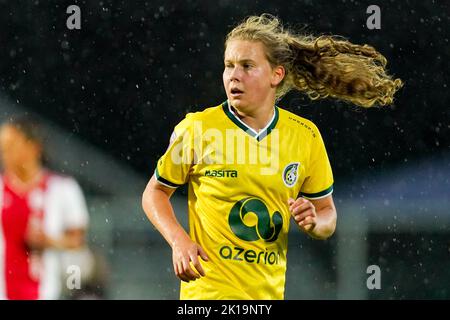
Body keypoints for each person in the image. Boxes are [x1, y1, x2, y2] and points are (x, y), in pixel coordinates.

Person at [142, 14, 402, 299]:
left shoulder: (305, 136)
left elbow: (328, 215)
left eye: (247, 66)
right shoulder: (197, 129)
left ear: (276, 75)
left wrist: (315, 222)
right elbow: (155, 193)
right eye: (228, 66)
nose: (233, 76)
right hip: (209, 297)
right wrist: (180, 242)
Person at [0, 116, 90, 300]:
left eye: (11, 146)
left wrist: (50, 242)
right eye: (3, 148)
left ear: (33, 147)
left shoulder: (63, 189)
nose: (4, 154)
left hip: (47, 292)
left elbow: (78, 244)